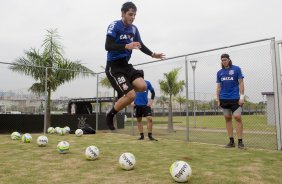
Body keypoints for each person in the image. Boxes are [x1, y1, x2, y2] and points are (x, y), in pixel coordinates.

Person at [105, 2, 165, 130]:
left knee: (142, 86)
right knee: (131, 95)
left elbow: (140, 44)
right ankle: (110, 115)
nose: (132, 17)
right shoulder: (114, 26)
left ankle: (123, 93)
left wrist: (152, 54)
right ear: (123, 13)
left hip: (126, 65)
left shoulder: (134, 29)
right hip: (114, 67)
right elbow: (108, 46)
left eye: (134, 15)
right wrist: (126, 46)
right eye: (130, 14)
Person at [216, 53, 245, 149]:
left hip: (235, 98)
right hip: (224, 98)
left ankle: (240, 141)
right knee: (228, 118)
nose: (224, 61)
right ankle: (231, 141)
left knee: (237, 116)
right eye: (222, 60)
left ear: (229, 60)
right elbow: (219, 87)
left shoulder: (236, 69)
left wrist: (242, 97)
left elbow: (241, 83)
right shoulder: (219, 72)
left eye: (225, 59)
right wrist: (218, 99)